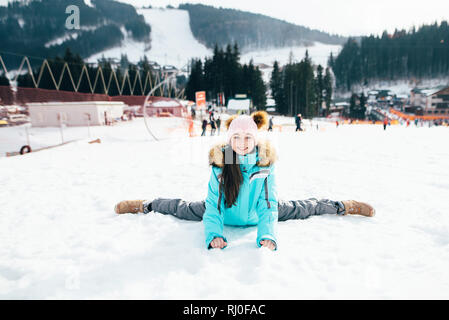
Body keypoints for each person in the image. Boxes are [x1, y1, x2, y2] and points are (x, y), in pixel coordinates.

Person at [115, 112, 375, 251]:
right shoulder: (221, 165)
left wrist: (267, 234)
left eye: (247, 138)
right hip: (223, 214)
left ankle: (344, 205)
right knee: (180, 207)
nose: (241, 143)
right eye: (236, 137)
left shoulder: (264, 164)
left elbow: (268, 204)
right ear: (229, 140)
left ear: (256, 139)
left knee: (305, 207)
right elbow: (214, 207)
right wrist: (214, 234)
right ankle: (145, 204)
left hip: (255, 214)